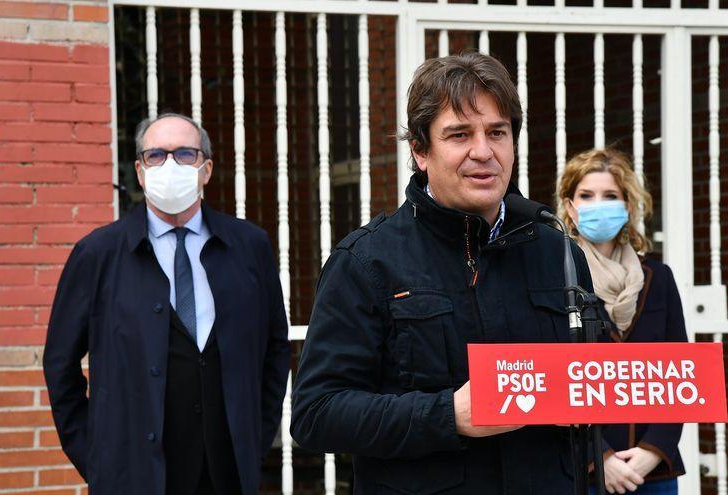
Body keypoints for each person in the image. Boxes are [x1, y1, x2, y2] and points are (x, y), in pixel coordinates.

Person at [290, 52, 594, 494]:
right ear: (420, 150)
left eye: (497, 132)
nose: (483, 152)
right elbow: (317, 412)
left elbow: (589, 379)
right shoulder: (366, 260)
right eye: (459, 135)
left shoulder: (558, 250)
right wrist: (450, 415)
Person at [43, 113, 290, 495]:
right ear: (140, 172)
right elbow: (60, 364)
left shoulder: (249, 247)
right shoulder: (97, 255)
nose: (170, 165)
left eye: (185, 154)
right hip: (134, 477)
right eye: (156, 155)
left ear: (206, 170)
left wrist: (253, 439)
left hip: (226, 475)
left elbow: (274, 348)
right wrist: (96, 456)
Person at [557, 148, 688, 494]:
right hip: (582, 471)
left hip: (653, 469)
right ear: (570, 207)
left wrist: (653, 449)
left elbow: (681, 369)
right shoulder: (556, 278)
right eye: (586, 195)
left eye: (610, 195)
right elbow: (552, 377)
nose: (598, 203)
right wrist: (598, 456)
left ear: (627, 205)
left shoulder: (658, 277)